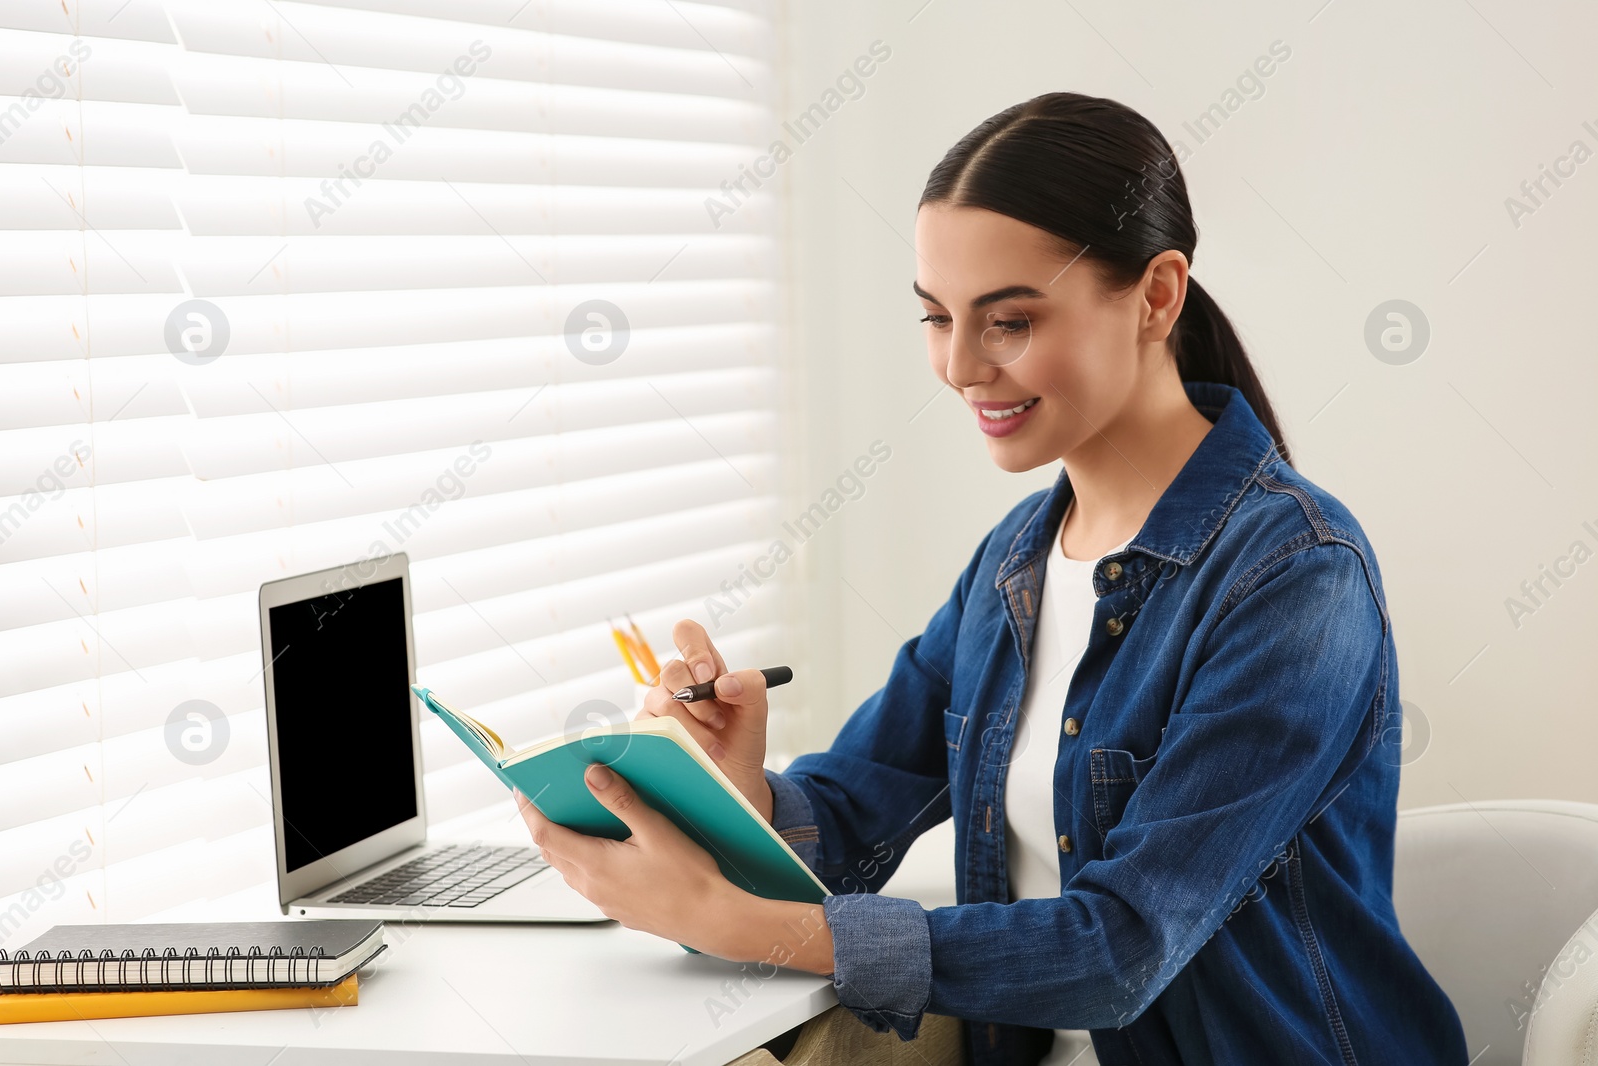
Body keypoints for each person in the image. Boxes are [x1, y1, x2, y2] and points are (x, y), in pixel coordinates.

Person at [516, 92, 1469, 1065]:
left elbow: (1121, 946)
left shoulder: (1295, 576)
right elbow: (851, 809)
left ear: (1155, 295)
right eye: (936, 317)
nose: (961, 366)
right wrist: (733, 797)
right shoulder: (1015, 563)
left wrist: (735, 922)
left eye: (1007, 320)